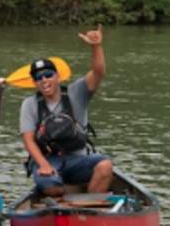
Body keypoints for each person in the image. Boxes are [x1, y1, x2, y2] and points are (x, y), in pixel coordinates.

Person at [20, 28, 112, 195]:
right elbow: (28, 140)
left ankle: (91, 206)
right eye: (38, 78)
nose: (44, 80)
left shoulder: (77, 92)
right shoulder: (29, 104)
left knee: (105, 166)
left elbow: (98, 72)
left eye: (48, 75)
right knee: (50, 186)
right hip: (49, 159)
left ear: (58, 77)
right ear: (34, 83)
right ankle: (62, 196)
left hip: (78, 158)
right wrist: (43, 164)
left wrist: (96, 46)